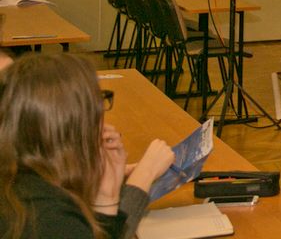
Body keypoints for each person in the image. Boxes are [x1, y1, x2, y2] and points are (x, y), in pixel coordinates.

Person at [0, 53, 174, 239]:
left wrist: (107, 198)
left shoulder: (20, 182)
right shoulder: (51, 220)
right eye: (95, 104)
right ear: (71, 122)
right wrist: (145, 173)